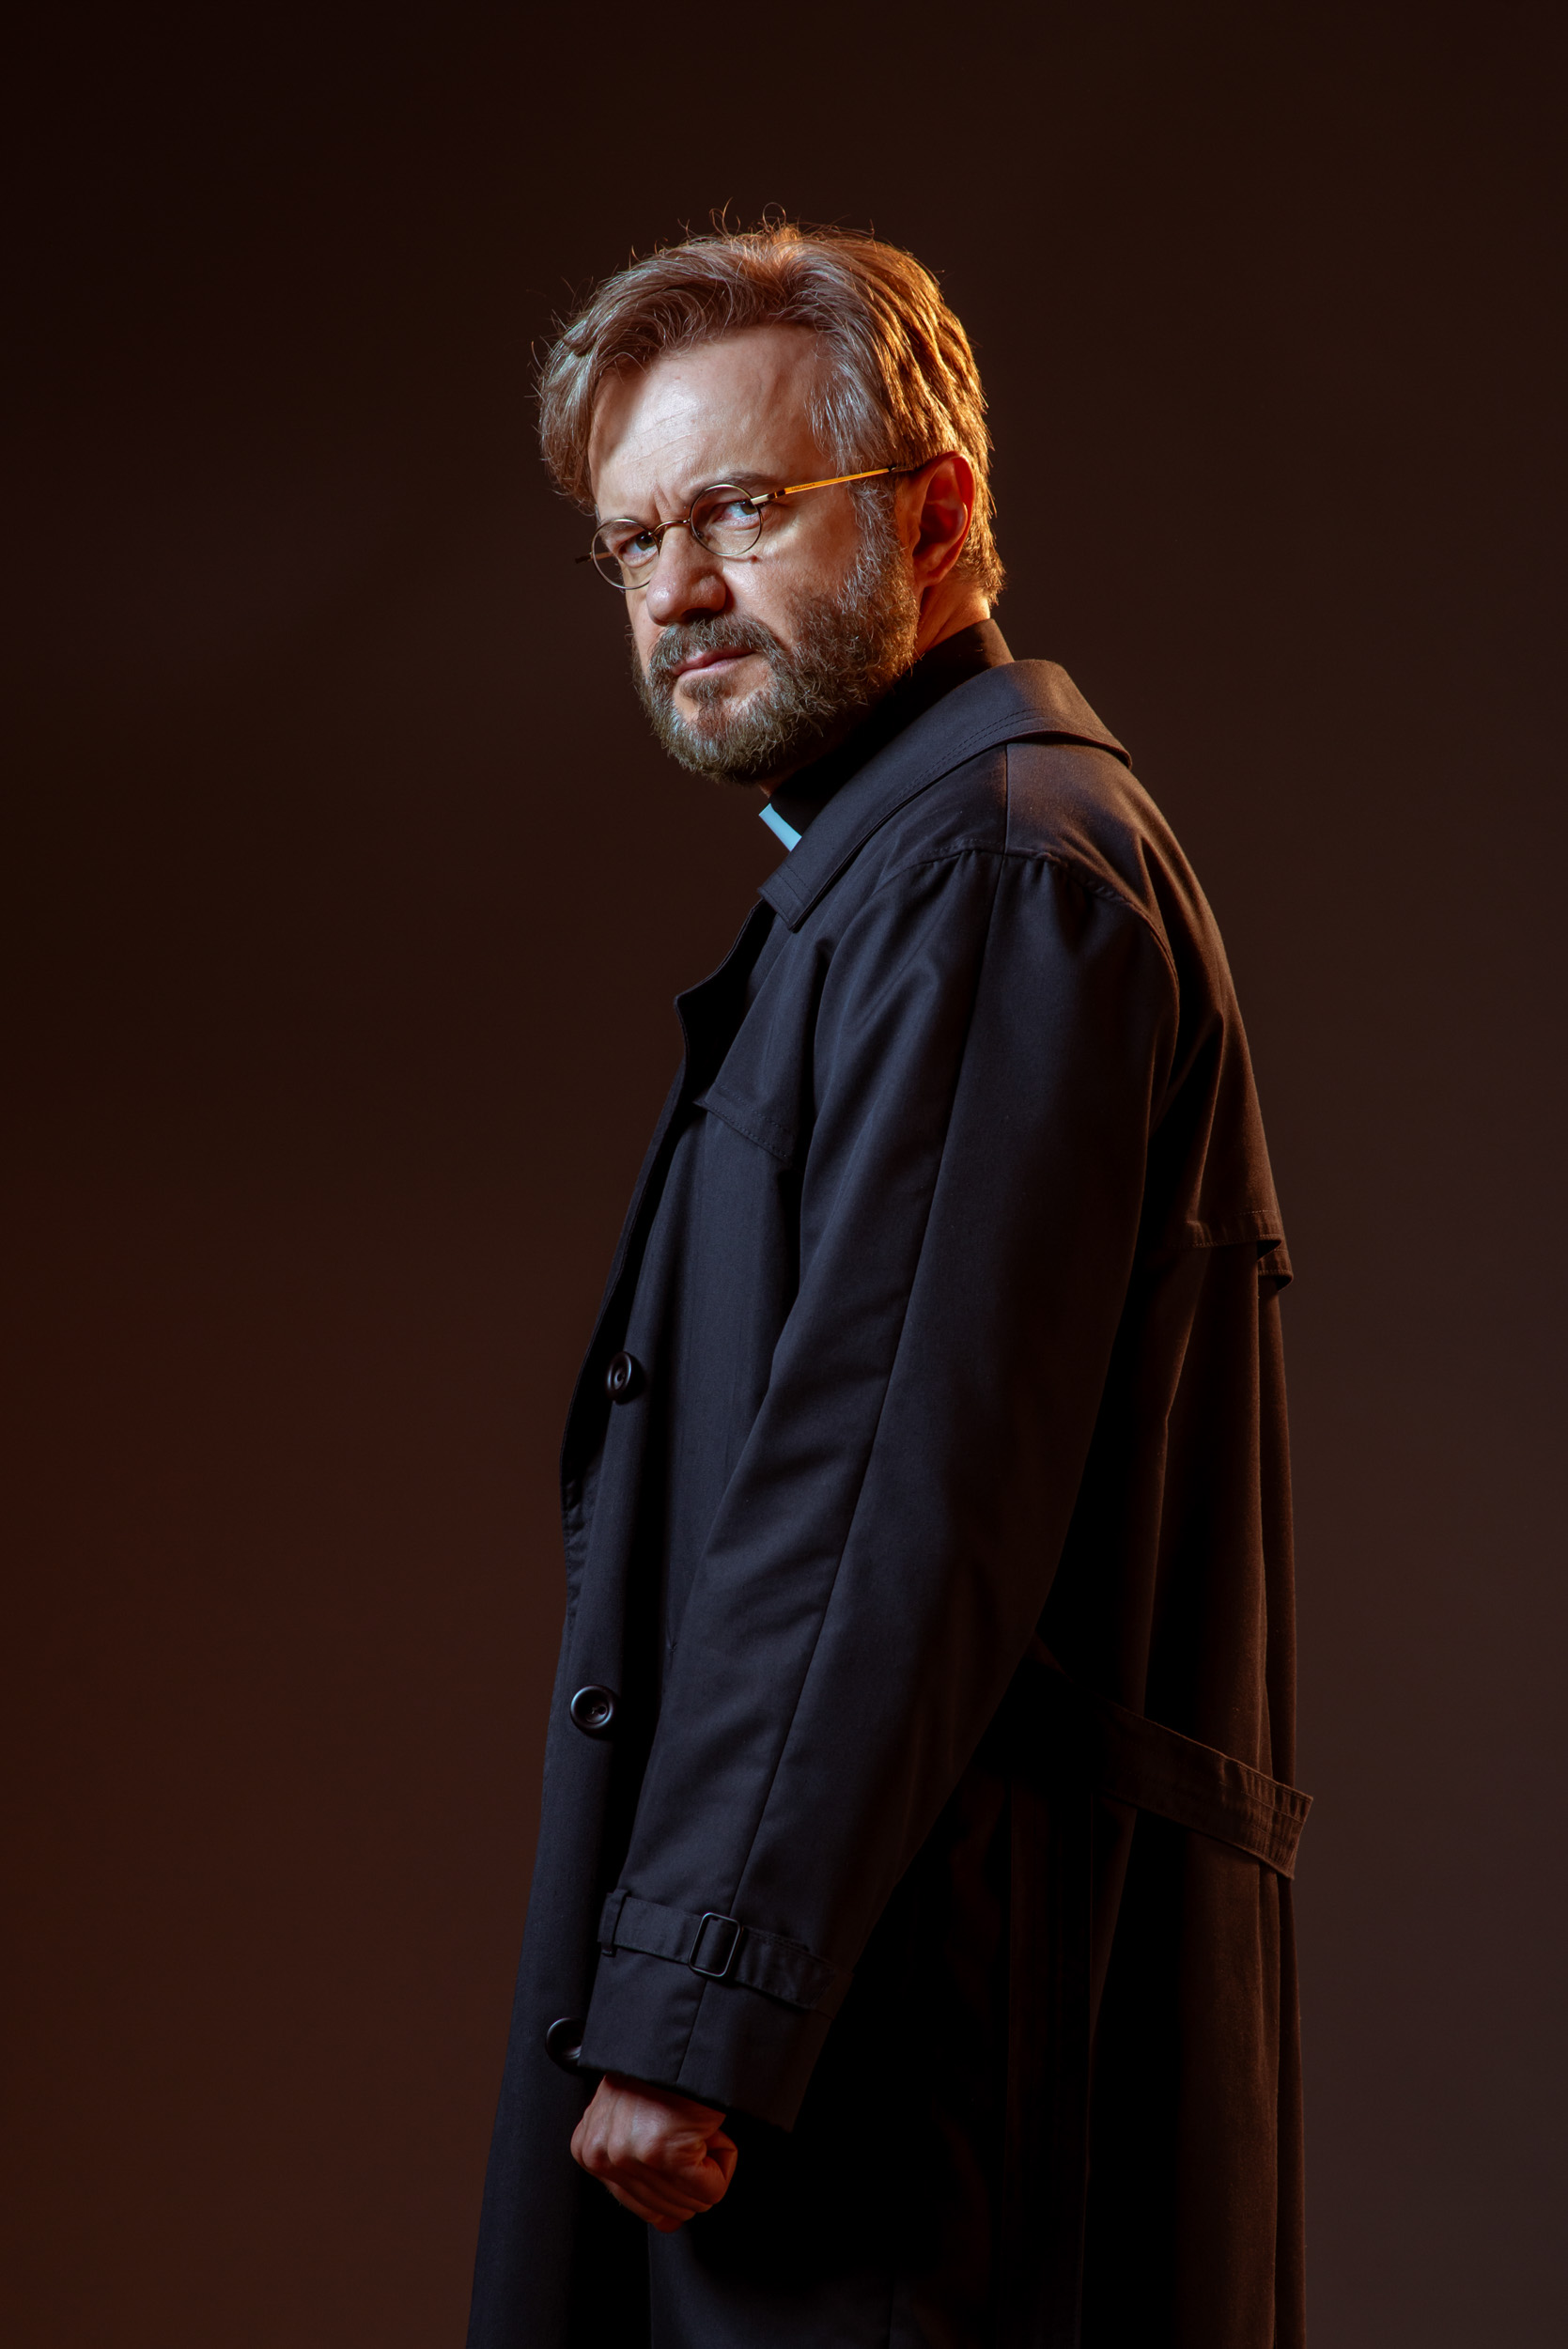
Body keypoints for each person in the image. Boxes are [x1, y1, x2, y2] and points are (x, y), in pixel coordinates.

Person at [467, 221, 1308, 2349]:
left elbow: (884, 1483)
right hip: (869, 2030)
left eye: (741, 510)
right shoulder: (909, 875)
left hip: (906, 2079)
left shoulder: (999, 872)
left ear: (935, 515)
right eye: (633, 539)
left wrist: (695, 1998)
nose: (673, 590)